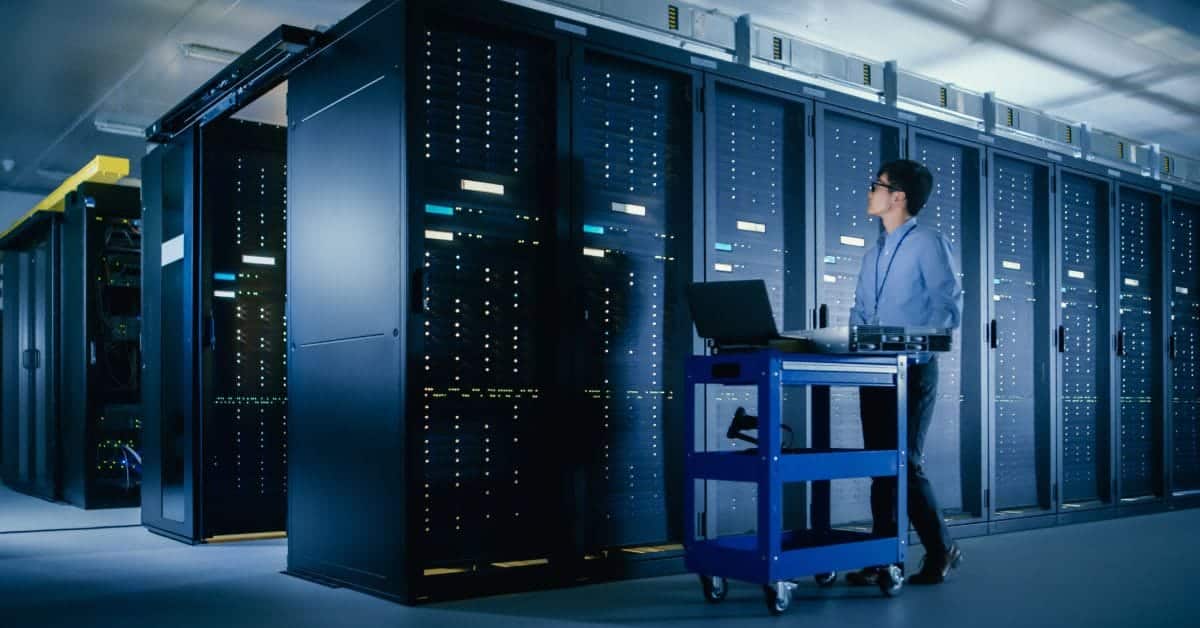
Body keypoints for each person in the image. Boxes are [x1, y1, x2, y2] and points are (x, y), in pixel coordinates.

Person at [844, 159, 964, 586]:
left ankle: (941, 548)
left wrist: (916, 348)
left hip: (912, 370)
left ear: (898, 197)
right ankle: (882, 557)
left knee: (904, 463)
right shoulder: (873, 253)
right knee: (881, 465)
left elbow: (947, 305)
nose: (869, 191)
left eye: (876, 185)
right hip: (875, 370)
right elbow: (861, 312)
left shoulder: (929, 242)